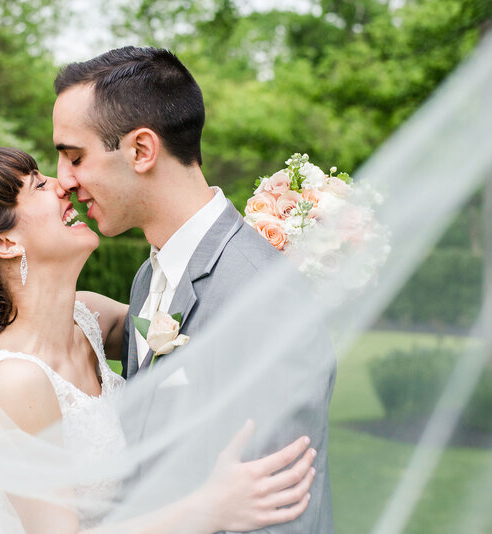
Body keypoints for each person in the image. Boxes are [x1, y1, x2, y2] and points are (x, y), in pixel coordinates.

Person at [0, 147, 318, 533]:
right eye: (39, 185)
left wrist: (279, 231)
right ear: (4, 242)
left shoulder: (89, 316)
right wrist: (207, 508)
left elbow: (198, 311)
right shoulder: (14, 381)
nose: (62, 186)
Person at [52, 46, 335, 533]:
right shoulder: (150, 277)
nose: (64, 180)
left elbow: (281, 512)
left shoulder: (261, 296)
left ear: (141, 150)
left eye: (75, 157)